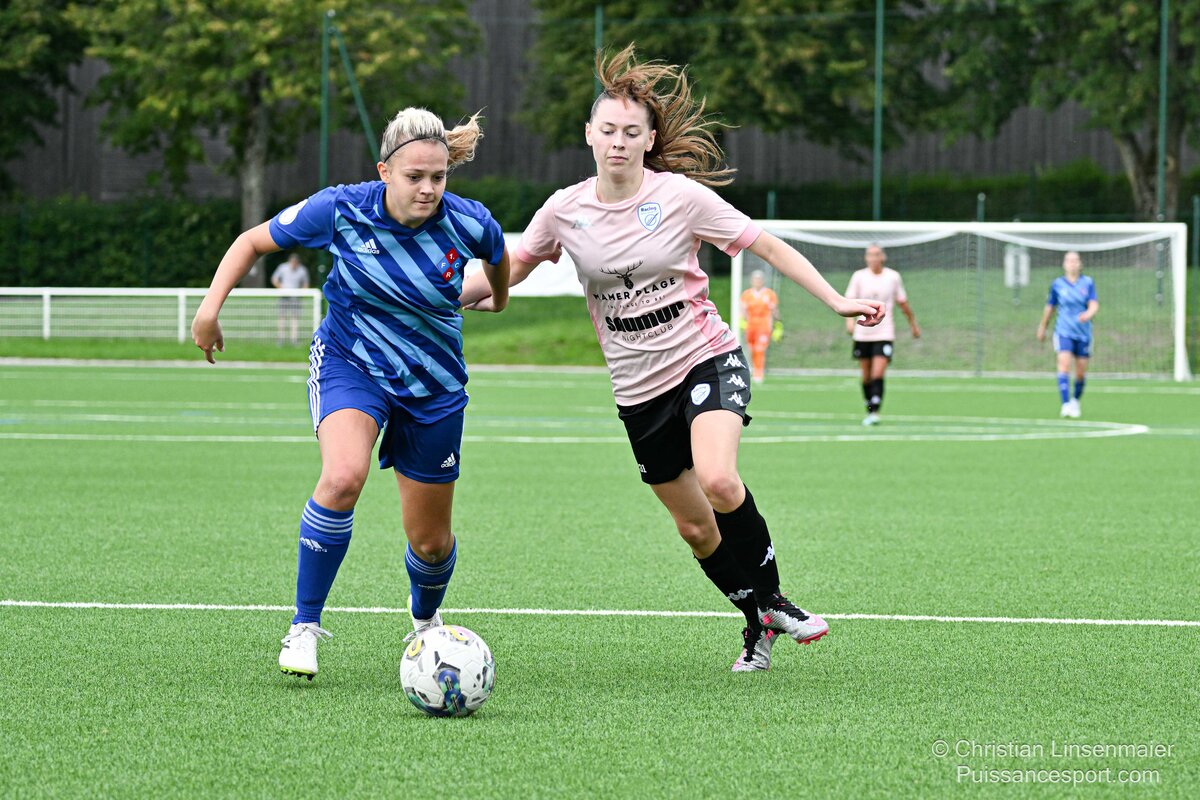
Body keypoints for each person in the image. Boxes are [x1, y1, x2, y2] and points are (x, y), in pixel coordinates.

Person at [461, 46, 884, 672]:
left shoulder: (681, 197)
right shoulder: (563, 210)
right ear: (589, 134)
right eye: (608, 130)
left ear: (650, 139)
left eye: (632, 132)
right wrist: (434, 296)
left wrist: (836, 300)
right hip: (637, 391)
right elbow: (510, 271)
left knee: (719, 480)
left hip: (704, 358)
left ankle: (773, 600)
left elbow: (766, 245)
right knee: (696, 530)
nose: (619, 142)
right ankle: (756, 621)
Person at [191, 108, 510, 680]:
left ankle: (425, 619)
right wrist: (210, 309)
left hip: (433, 384)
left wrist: (496, 296)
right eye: (414, 177)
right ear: (384, 171)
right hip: (351, 364)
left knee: (431, 544)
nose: (428, 188)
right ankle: (304, 626)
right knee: (342, 477)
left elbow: (498, 257)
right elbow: (250, 242)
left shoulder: (469, 221)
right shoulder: (341, 209)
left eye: (438, 177)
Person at [845, 244, 920, 426]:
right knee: (866, 376)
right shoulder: (859, 276)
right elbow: (849, 301)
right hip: (863, 333)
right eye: (870, 254)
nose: (873, 258)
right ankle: (870, 408)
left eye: (876, 254)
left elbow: (903, 303)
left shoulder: (893, 277)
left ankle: (875, 412)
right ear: (866, 258)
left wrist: (913, 324)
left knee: (877, 373)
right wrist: (849, 322)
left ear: (883, 257)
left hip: (885, 332)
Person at [1036, 251, 1098, 418]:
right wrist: (1043, 327)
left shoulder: (1087, 282)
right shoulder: (1057, 284)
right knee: (1063, 364)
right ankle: (1065, 404)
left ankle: (1075, 401)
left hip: (1083, 333)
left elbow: (1093, 304)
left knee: (1080, 372)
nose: (1072, 263)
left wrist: (1088, 314)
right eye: (1069, 260)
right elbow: (1050, 307)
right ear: (1064, 264)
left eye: (1075, 260)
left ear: (1080, 264)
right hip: (1063, 331)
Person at [739, 269, 780, 383]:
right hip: (751, 326)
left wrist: (778, 325)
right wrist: (742, 322)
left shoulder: (769, 294)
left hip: (764, 326)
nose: (757, 281)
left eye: (759, 279)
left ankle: (759, 373)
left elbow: (774, 311)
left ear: (763, 281)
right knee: (752, 349)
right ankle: (753, 369)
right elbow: (743, 310)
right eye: (755, 279)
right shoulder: (746, 294)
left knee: (760, 349)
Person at [271, 252, 311, 345]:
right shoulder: (282, 267)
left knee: (295, 318)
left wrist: (302, 292)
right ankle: (281, 339)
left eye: (295, 263)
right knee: (282, 317)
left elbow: (305, 283)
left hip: (295, 297)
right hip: (283, 296)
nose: (294, 264)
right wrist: (281, 288)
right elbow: (274, 279)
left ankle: (294, 339)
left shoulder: (302, 270)